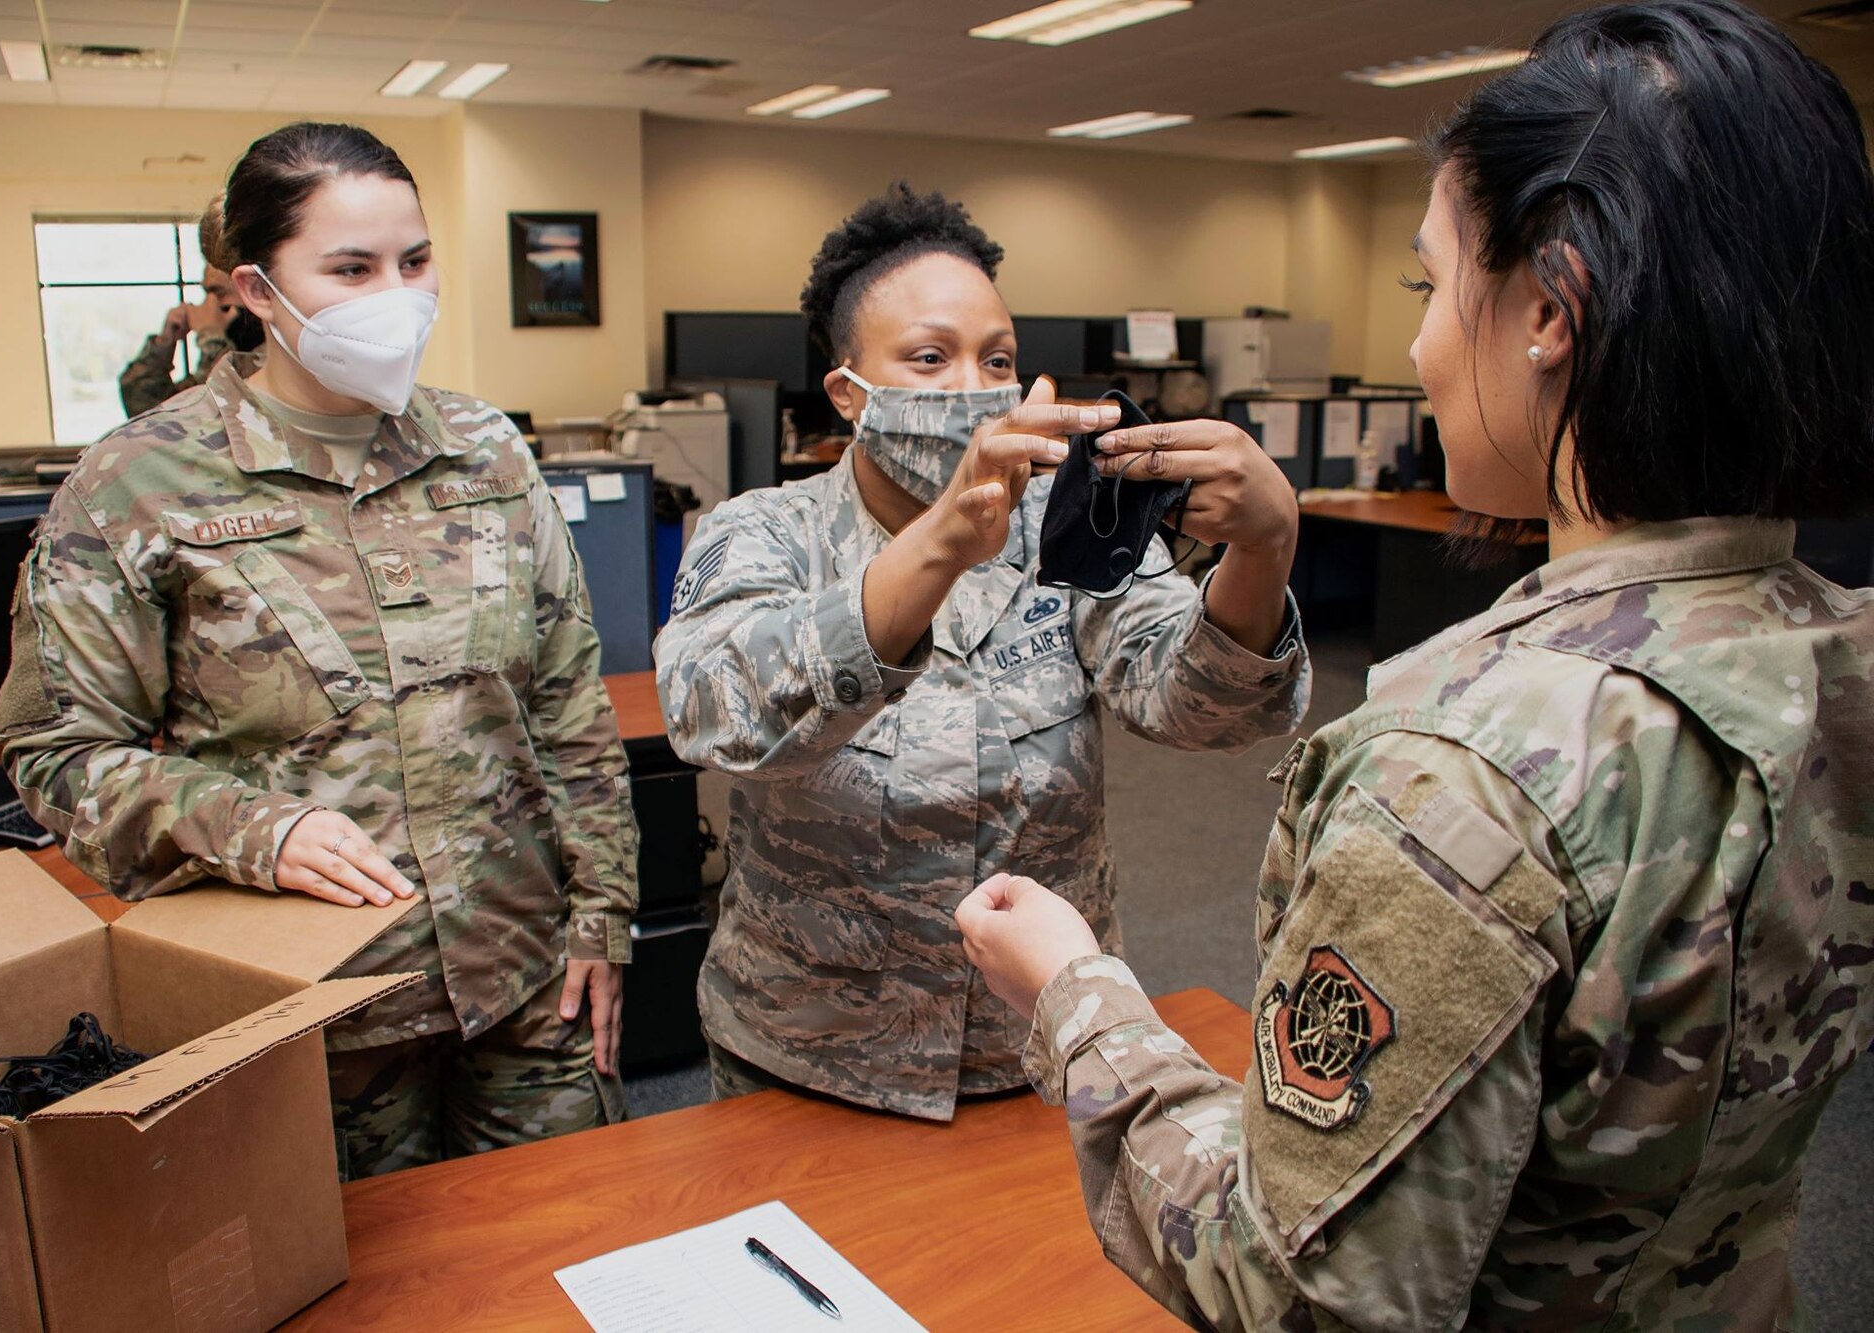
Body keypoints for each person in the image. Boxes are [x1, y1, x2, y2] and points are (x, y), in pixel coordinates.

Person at [957, 1, 1874, 1326]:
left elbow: (1297, 1291)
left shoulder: (1463, 772)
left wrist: (1076, 994)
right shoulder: (1830, 654)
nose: (1418, 347)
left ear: (1550, 309)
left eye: (1433, 286)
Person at [0, 122, 639, 1179]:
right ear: (254, 288)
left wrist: (604, 918)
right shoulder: (137, 482)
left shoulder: (485, 451)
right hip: (312, 1009)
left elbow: (568, 705)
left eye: (415, 261)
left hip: (525, 985)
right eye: (351, 268)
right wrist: (247, 824)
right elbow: (53, 746)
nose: (399, 294)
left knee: (563, 1257)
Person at [654, 184, 1310, 1120]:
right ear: (849, 390)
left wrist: (1262, 547)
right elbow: (711, 712)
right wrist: (942, 546)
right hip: (812, 1056)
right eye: (930, 358)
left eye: (996, 359)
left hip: (1036, 1050)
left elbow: (1203, 707)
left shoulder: (1062, 524)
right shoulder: (763, 532)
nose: (973, 388)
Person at [117, 203, 262, 418]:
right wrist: (165, 343)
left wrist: (211, 336)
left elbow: (214, 409)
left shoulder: (268, 359)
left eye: (219, 293)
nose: (209, 306)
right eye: (207, 294)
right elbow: (148, 412)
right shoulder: (224, 351)